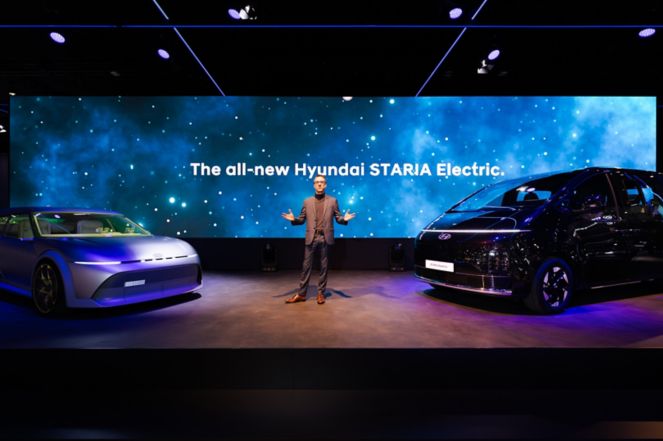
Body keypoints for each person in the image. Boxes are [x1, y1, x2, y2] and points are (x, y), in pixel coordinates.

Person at [281, 174, 356, 304]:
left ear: (325, 184)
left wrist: (344, 219)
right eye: (317, 182)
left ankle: (321, 293)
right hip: (312, 237)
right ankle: (301, 294)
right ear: (314, 185)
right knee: (306, 266)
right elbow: (301, 219)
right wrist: (294, 220)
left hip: (325, 237)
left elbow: (338, 218)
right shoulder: (307, 201)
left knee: (323, 266)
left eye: (322, 182)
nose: (319, 184)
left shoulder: (332, 201)